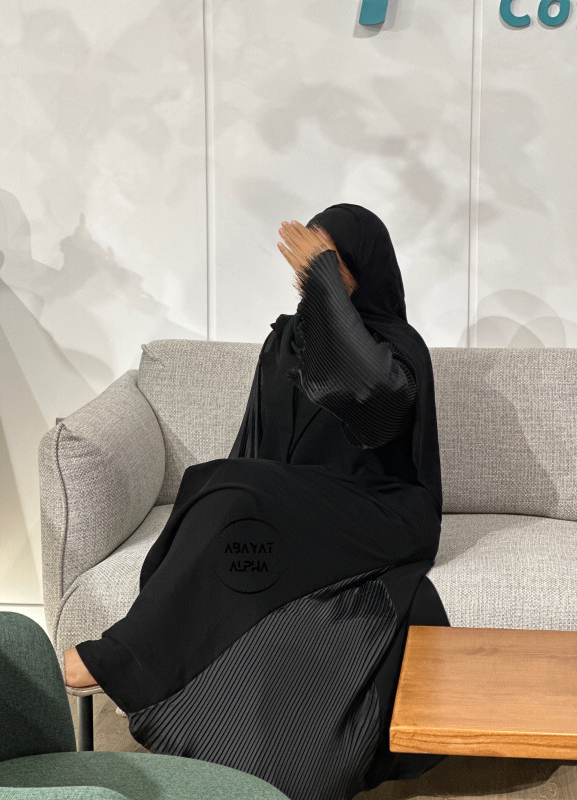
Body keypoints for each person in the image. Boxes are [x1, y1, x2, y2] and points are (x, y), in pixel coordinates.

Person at [63, 203, 450, 800]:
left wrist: (325, 284)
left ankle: (125, 659)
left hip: (384, 513)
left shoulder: (398, 347)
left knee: (233, 489)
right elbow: (257, 446)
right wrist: (241, 513)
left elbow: (372, 398)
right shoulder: (286, 341)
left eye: (327, 260)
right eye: (304, 261)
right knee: (218, 485)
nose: (306, 270)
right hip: (304, 511)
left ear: (362, 267)